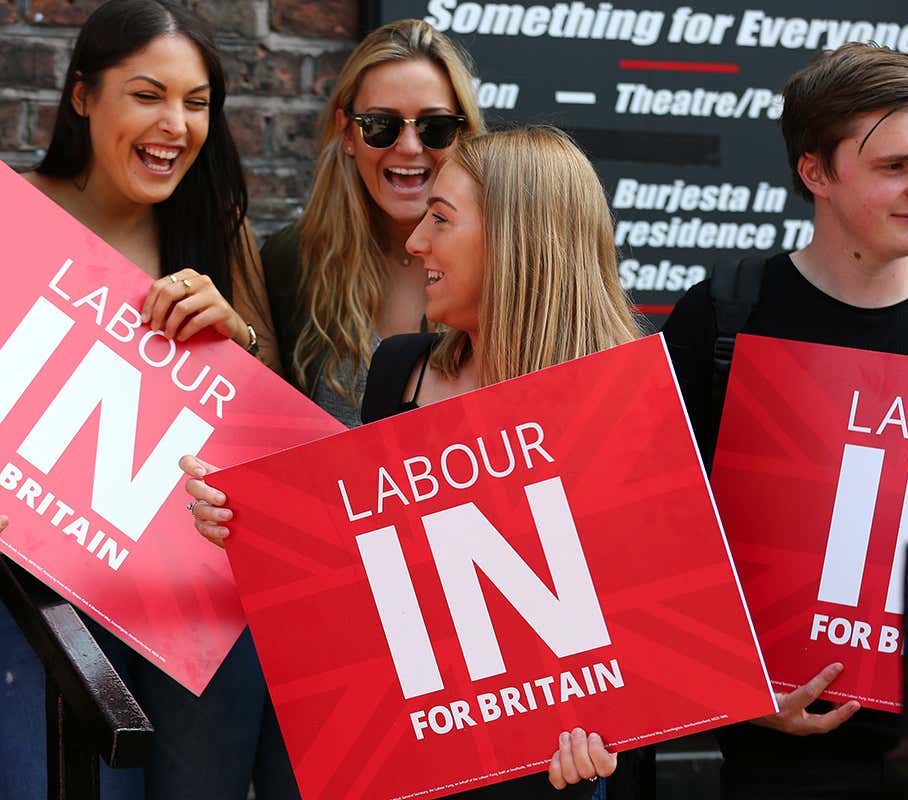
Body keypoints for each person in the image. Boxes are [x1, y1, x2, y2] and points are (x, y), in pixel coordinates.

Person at [186, 126, 654, 799]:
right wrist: (248, 523)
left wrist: (609, 730)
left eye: (441, 219)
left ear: (515, 241)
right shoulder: (397, 370)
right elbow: (364, 576)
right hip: (397, 767)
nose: (415, 242)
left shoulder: (622, 408)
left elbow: (649, 630)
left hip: (543, 778)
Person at [0, 1, 293, 798]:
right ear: (81, 95)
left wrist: (232, 335)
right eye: (147, 94)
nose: (175, 124)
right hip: (41, 582)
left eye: (196, 103)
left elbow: (272, 435)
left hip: (195, 587)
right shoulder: (3, 214)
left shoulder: (216, 229)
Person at [660, 42, 908, 799]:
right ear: (816, 173)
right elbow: (655, 542)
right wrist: (735, 689)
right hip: (779, 760)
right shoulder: (725, 320)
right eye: (894, 167)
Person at [260, 19, 486, 428]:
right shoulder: (291, 261)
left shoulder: (503, 260)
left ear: (464, 135)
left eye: (435, 127)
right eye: (381, 126)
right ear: (346, 132)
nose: (410, 147)